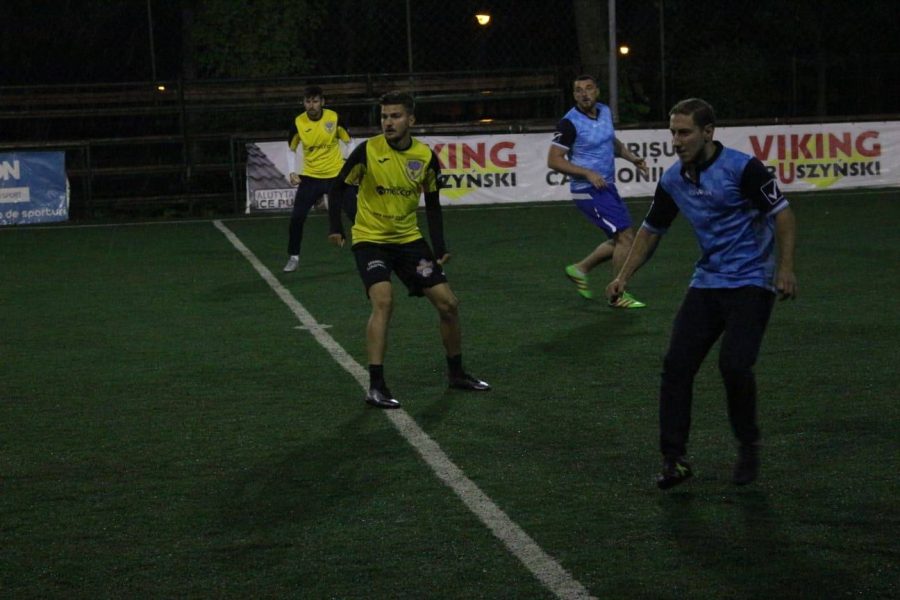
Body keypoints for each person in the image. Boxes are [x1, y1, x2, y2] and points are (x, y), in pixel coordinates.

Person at [605, 98, 798, 489]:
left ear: (708, 132)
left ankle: (748, 444)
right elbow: (651, 232)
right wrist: (624, 275)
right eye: (673, 133)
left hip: (752, 281)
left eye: (685, 132)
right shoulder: (673, 179)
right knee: (676, 366)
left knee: (734, 365)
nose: (676, 141)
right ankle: (673, 459)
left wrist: (785, 267)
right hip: (708, 282)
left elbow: (782, 214)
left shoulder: (743, 168)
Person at [327, 91, 490, 409]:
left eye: (395, 116)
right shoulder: (368, 150)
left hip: (408, 241)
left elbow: (433, 203)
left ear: (411, 120)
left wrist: (439, 246)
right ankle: (376, 386)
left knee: (449, 305)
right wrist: (336, 226)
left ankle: (457, 374)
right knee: (384, 301)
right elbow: (337, 187)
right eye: (384, 116)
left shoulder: (425, 156)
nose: (388, 122)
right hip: (371, 240)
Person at [547, 74, 650, 308]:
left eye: (589, 88)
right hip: (587, 190)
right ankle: (617, 295)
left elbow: (611, 142)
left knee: (622, 239)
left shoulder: (604, 111)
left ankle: (580, 269)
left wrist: (632, 158)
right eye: (579, 90)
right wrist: (587, 173)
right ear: (574, 95)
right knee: (626, 237)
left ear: (597, 91)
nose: (584, 94)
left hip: (606, 187)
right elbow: (553, 160)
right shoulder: (569, 123)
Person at [283, 85, 357, 273]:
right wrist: (292, 171)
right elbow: (291, 149)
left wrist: (348, 164)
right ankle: (293, 257)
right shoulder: (298, 122)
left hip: (336, 176)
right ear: (303, 103)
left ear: (322, 102)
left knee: (356, 214)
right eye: (308, 101)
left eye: (315, 101)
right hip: (311, 177)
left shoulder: (334, 117)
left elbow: (350, 142)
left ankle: (372, 250)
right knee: (297, 218)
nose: (312, 105)